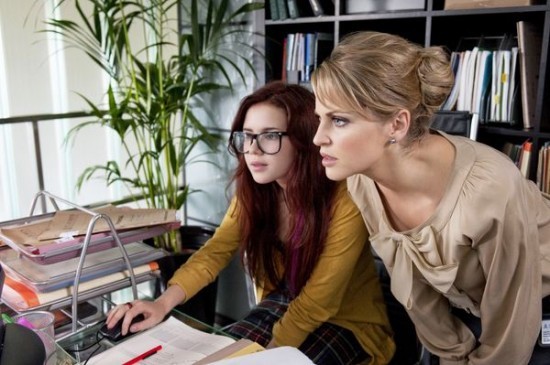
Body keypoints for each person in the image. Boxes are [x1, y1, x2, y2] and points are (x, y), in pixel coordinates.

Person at [105, 81, 395, 365]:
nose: (253, 149)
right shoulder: (255, 194)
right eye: (247, 135)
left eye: (270, 135)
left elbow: (319, 303)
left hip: (345, 322)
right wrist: (162, 304)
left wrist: (266, 354)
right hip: (282, 305)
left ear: (304, 139)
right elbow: (213, 253)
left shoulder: (346, 197)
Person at [311, 30, 550, 365]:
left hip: (536, 309)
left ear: (396, 124)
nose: (318, 137)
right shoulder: (363, 182)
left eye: (338, 120)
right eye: (320, 118)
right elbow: (411, 289)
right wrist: (454, 354)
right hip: (471, 308)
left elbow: (514, 314)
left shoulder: (490, 188)